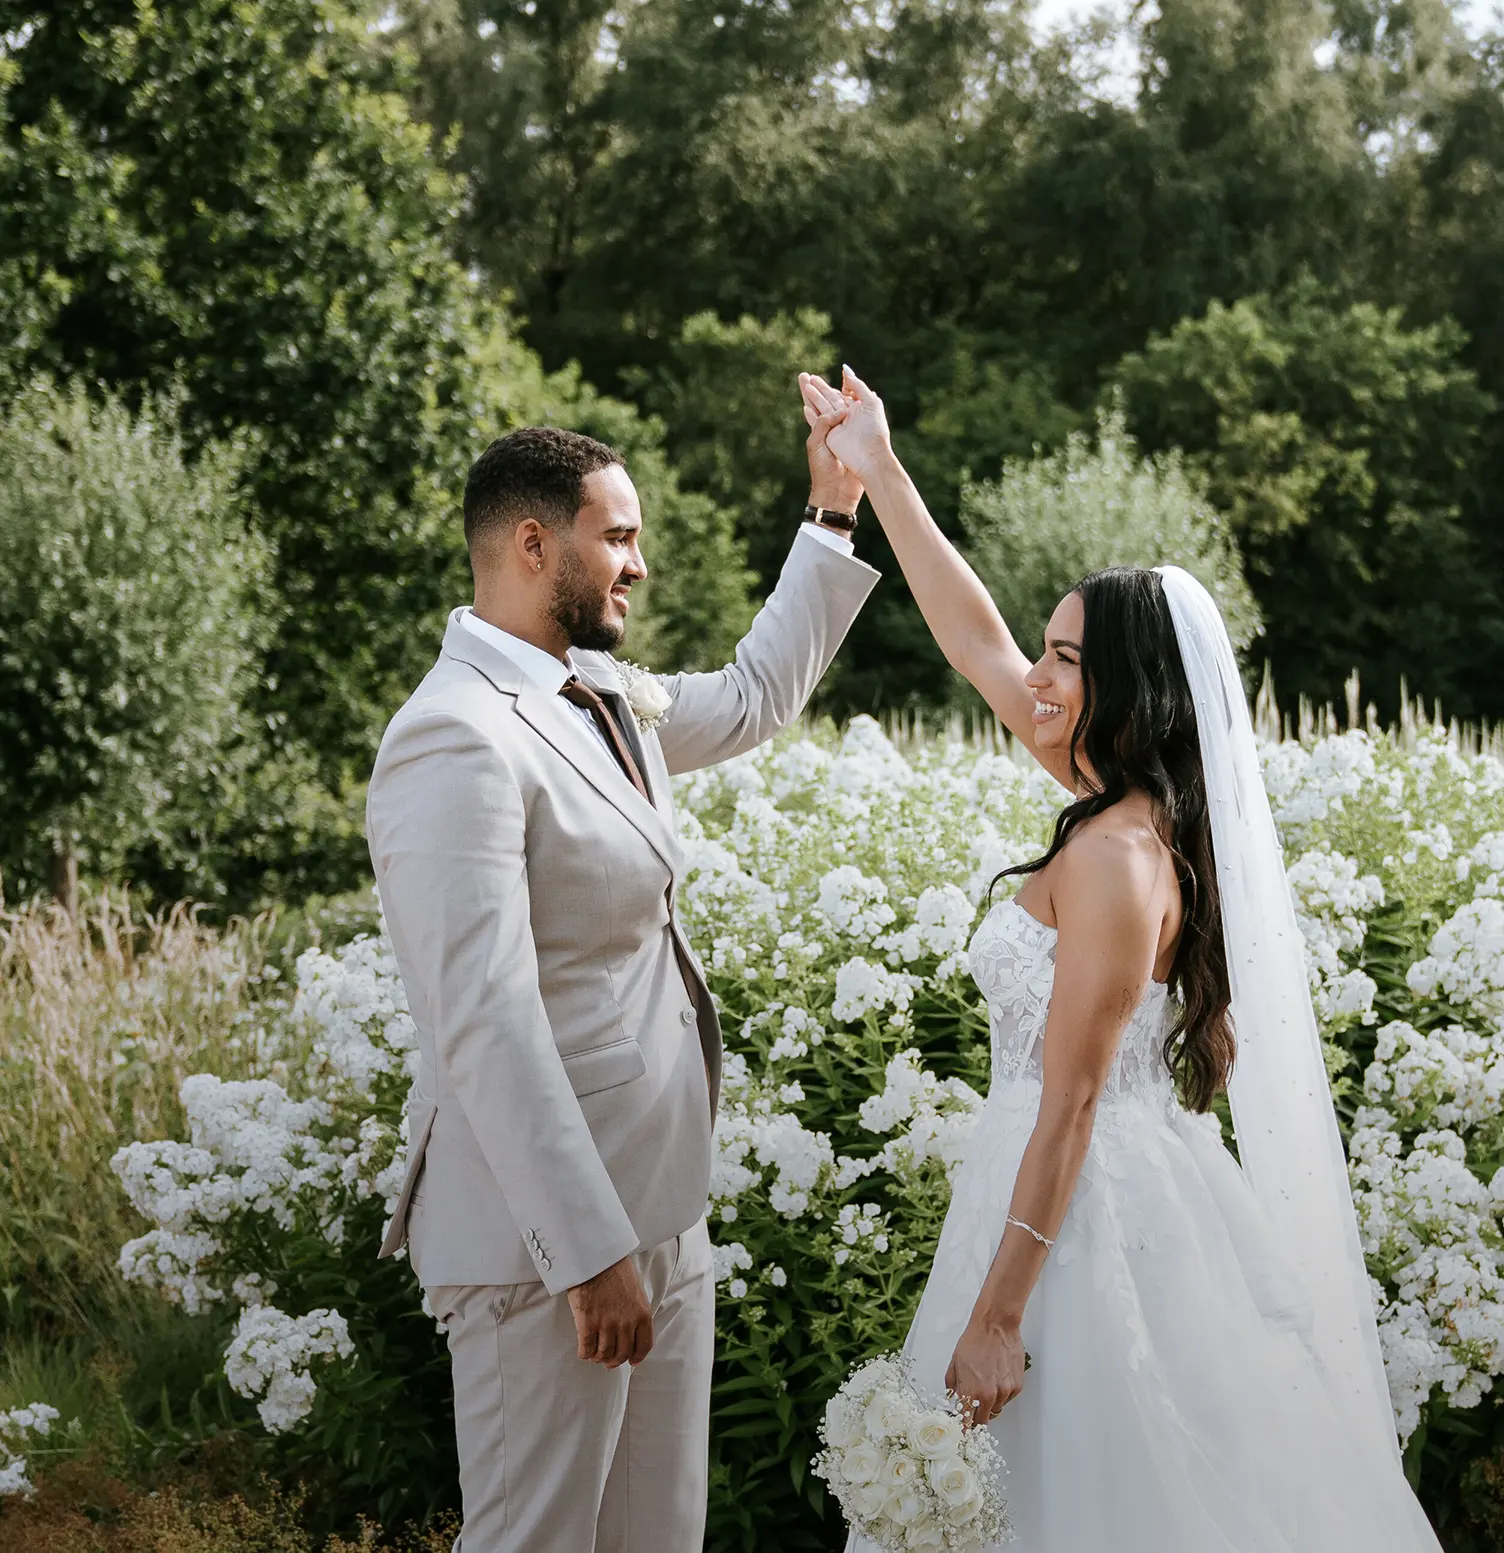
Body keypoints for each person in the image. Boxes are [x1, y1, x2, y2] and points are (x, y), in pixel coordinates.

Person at [799, 368, 1444, 1550]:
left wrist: (999, 1314)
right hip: (1063, 1183)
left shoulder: (1114, 858)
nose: (1036, 678)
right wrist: (878, 471)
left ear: (1133, 688)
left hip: (1081, 1214)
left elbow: (1077, 1094)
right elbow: (972, 638)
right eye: (1046, 652)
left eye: (1066, 659)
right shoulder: (1114, 805)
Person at [365, 419, 877, 1553]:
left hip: (660, 1205)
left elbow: (750, 699)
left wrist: (832, 508)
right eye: (621, 538)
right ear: (537, 543)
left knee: (658, 1539)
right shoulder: (454, 738)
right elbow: (487, 1023)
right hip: (542, 1243)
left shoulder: (592, 690)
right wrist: (589, 1255)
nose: (639, 565)